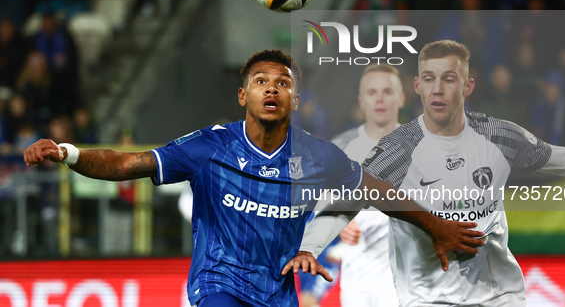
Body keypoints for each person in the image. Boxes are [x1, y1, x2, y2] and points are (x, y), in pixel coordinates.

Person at [23, 49, 483, 307]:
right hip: (218, 287)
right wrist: (68, 152)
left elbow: (377, 191)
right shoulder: (210, 147)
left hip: (278, 295)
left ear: (295, 100)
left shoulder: (317, 157)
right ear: (244, 94)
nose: (272, 89)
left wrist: (436, 226)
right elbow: (128, 164)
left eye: (282, 83)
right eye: (262, 81)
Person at [288, 40, 565, 306]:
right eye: (429, 79)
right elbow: (346, 201)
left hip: (500, 296)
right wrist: (308, 247)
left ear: (468, 86)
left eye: (449, 79)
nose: (438, 89)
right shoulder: (397, 150)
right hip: (429, 298)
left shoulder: (499, 138)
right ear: (418, 86)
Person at [331, 64, 404, 307]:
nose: (380, 99)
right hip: (356, 286)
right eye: (372, 93)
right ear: (361, 101)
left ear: (401, 98)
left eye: (387, 91)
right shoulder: (340, 149)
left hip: (404, 286)